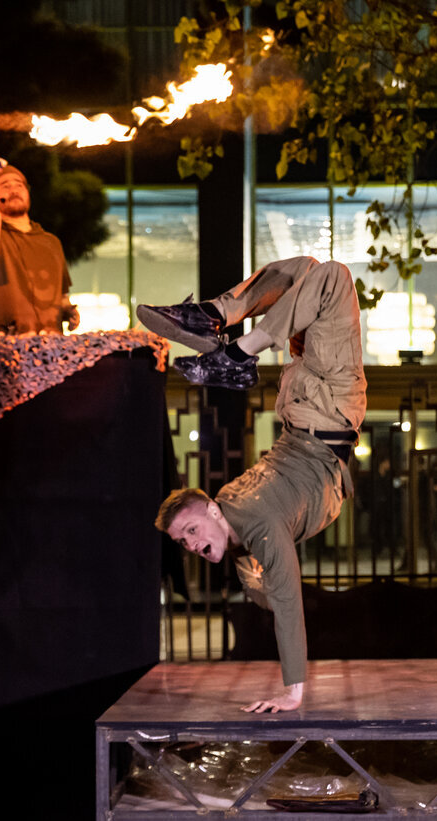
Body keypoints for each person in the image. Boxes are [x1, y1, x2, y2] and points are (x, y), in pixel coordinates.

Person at [141, 256, 367, 713]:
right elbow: (278, 596)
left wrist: (293, 690)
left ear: (211, 509)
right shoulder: (251, 532)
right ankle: (229, 344)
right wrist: (254, 575)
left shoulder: (247, 516)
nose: (190, 546)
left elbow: (286, 602)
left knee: (310, 272)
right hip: (323, 405)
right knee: (328, 277)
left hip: (312, 400)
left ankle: (223, 333)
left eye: (188, 532)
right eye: (184, 544)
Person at [0, 140, 79, 335]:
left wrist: (68, 310)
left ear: (28, 193)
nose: (13, 189)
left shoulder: (51, 242)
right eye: (4, 185)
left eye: (19, 184)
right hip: (1, 354)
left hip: (51, 355)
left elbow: (61, 296)